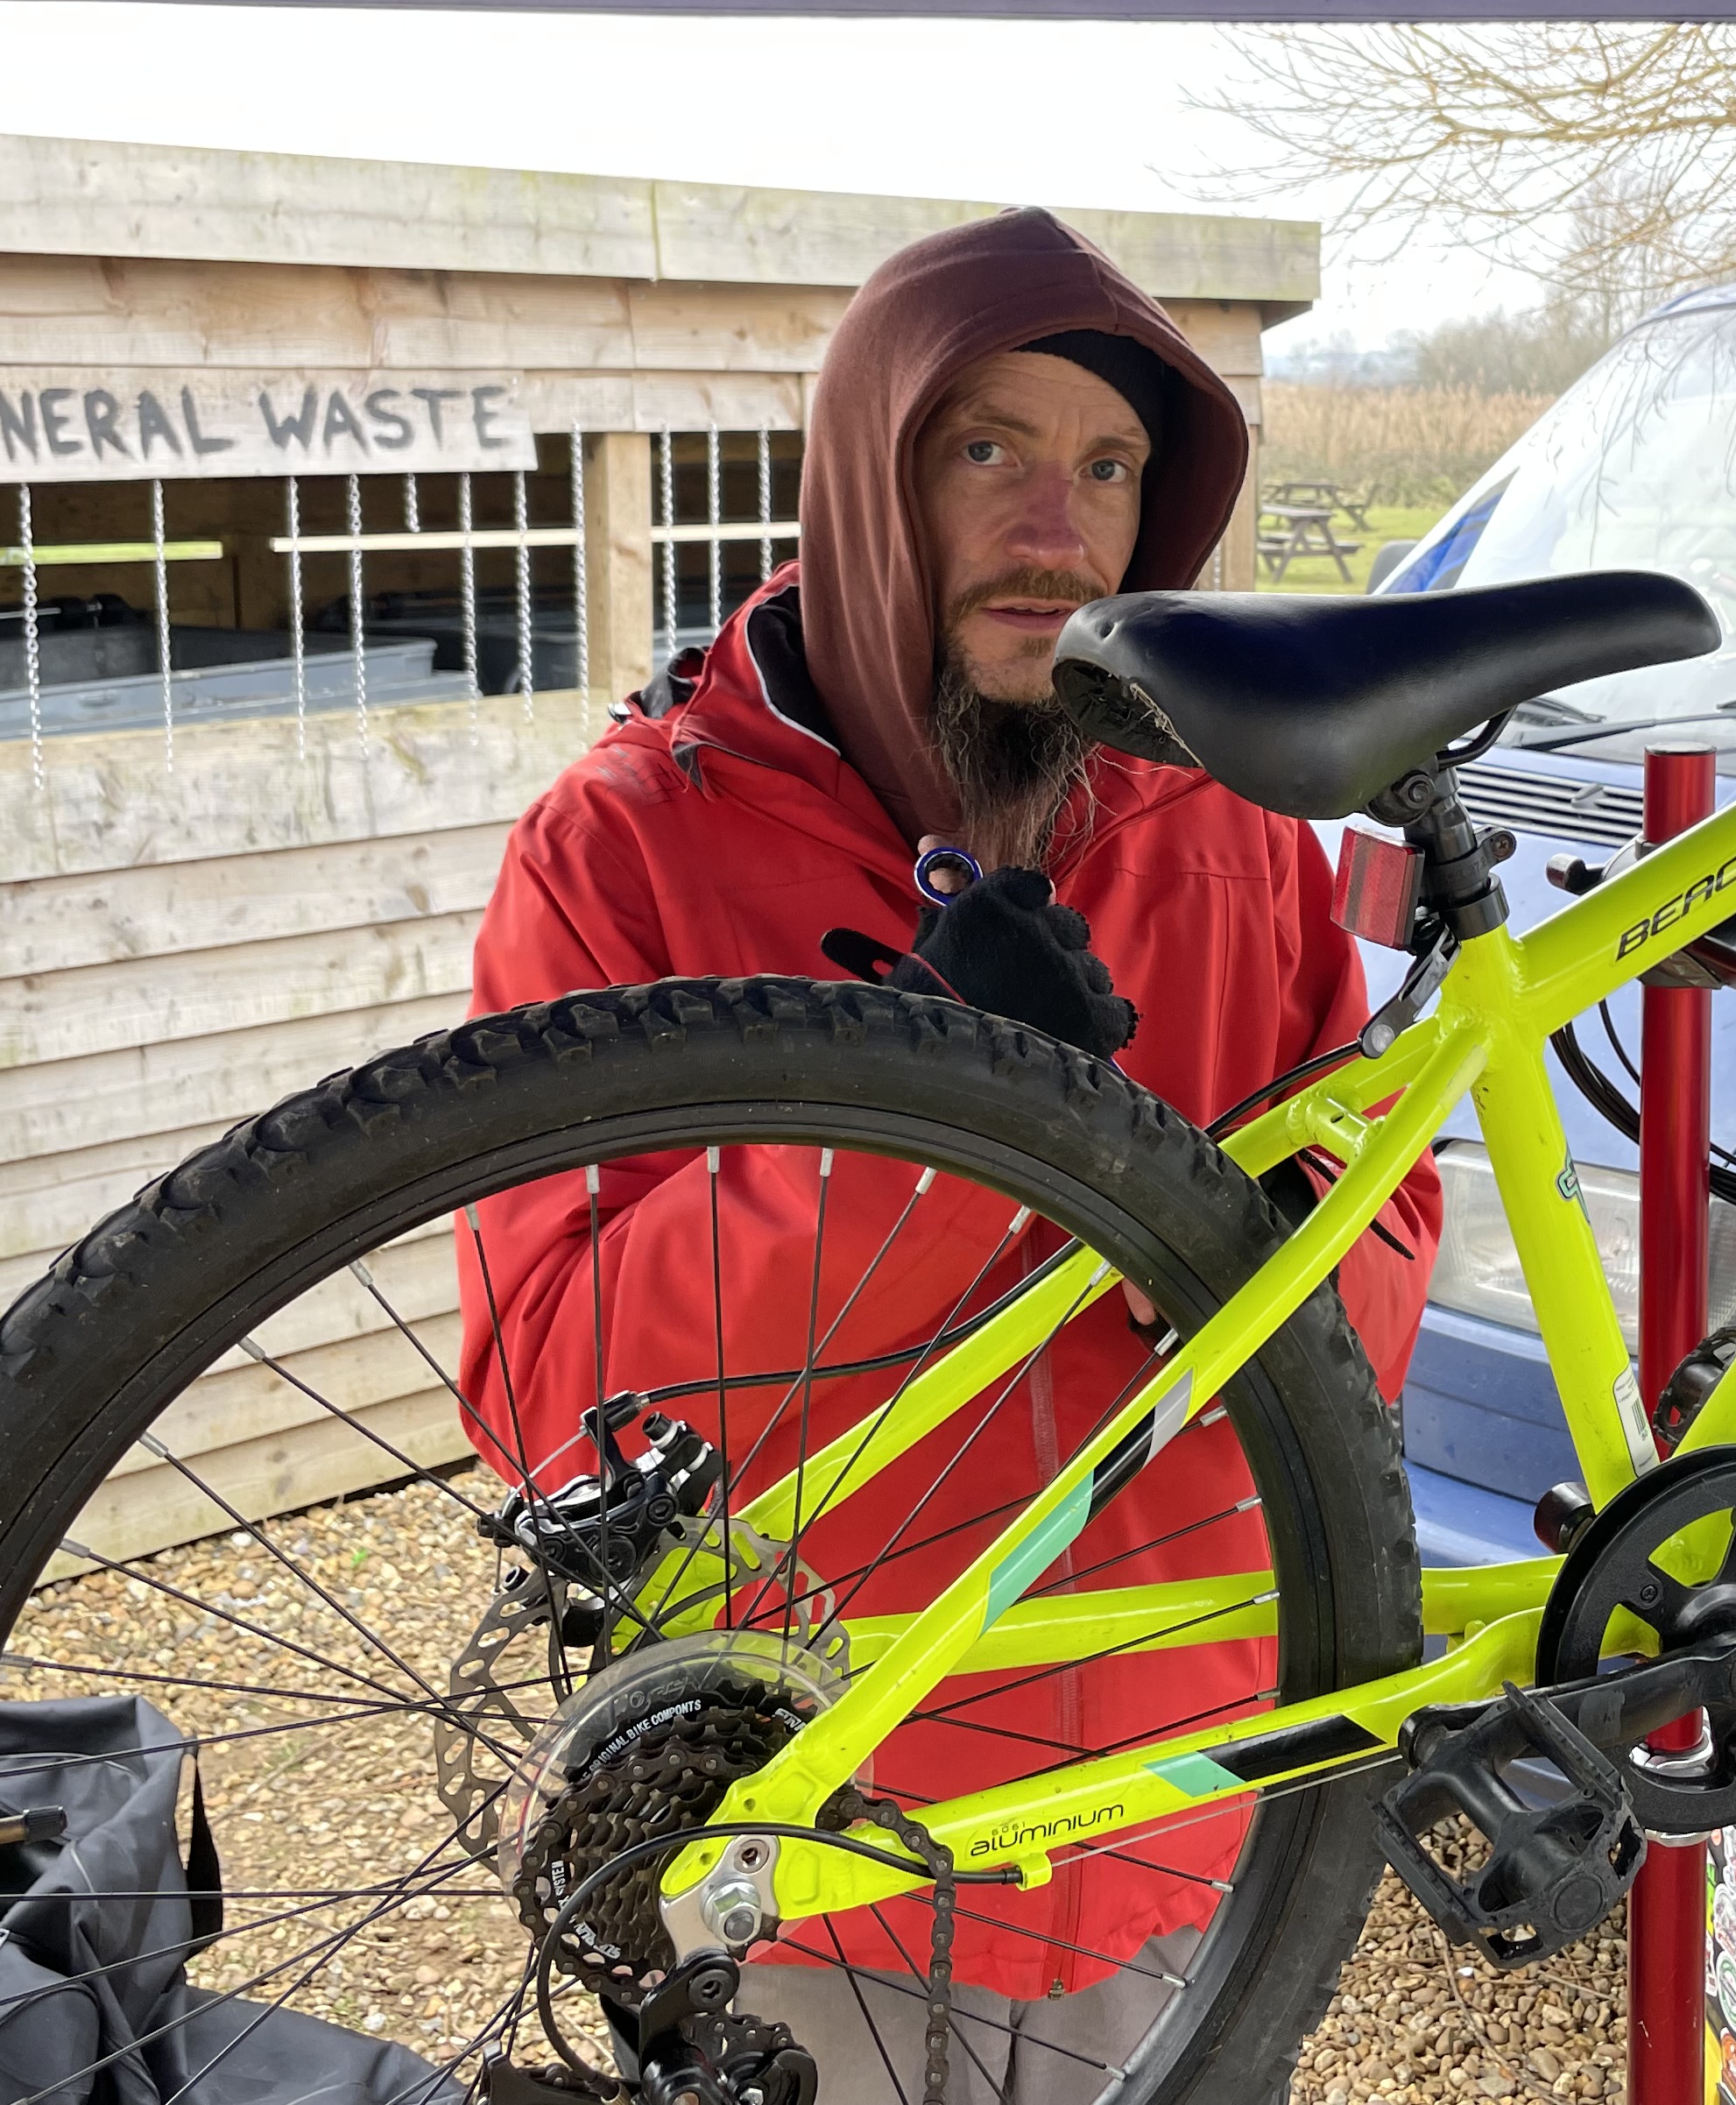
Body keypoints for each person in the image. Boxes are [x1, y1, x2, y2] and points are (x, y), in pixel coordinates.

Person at [461, 206, 1442, 2103]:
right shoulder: (626, 852)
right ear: (861, 481)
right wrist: (951, 1109)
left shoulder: (1220, 830)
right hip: (825, 1865)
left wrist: (1265, 1278)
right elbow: (550, 1391)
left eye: (1108, 469)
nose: (1057, 530)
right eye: (985, 449)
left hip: (1195, 1808)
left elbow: (1381, 1192)